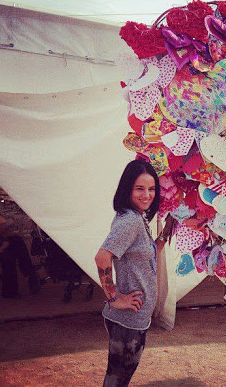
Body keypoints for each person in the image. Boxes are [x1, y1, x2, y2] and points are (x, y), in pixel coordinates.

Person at [95, 159, 173, 387]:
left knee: (119, 377)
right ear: (127, 188)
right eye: (139, 188)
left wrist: (167, 231)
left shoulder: (136, 217)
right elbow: (102, 257)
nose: (147, 195)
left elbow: (147, 253)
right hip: (127, 319)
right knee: (117, 380)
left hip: (133, 318)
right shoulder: (130, 220)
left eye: (151, 189)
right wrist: (114, 298)